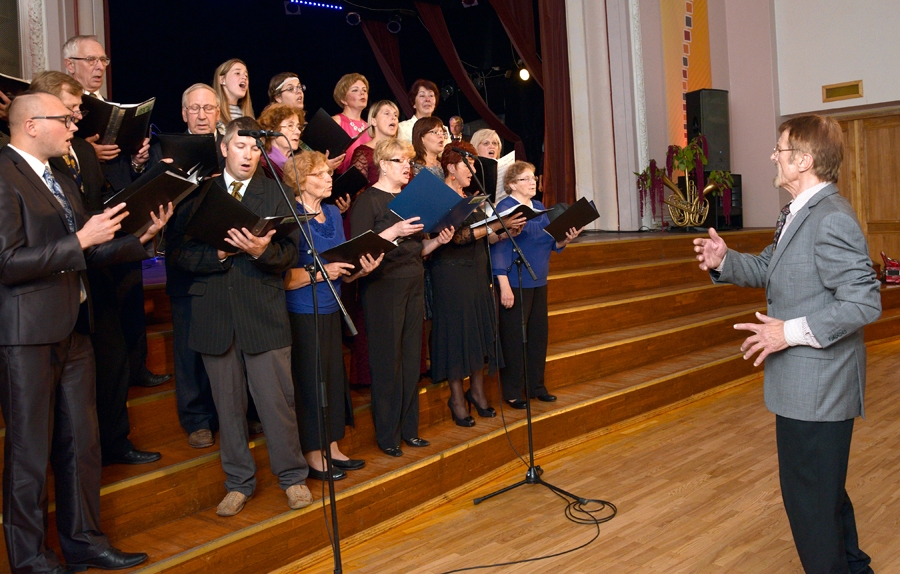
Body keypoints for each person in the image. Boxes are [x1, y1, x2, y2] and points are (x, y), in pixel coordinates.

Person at [692, 114, 881, 574]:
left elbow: (864, 302)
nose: (772, 156)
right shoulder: (796, 212)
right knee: (824, 496)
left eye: (779, 150)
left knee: (811, 506)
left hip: (820, 388)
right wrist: (724, 261)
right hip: (805, 388)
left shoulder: (830, 218)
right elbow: (769, 268)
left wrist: (787, 332)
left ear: (804, 160)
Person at [0, 91, 170, 573]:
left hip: (76, 327)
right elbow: (6, 263)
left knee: (83, 444)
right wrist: (79, 239)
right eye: (65, 119)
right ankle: (30, 559)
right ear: (31, 125)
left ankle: (85, 542)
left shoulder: (59, 177)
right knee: (29, 453)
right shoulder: (3, 174)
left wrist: (140, 240)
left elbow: (86, 254)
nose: (75, 126)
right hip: (25, 335)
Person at [166, 117, 312, 516]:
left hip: (262, 314)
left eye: (254, 148)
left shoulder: (276, 193)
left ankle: (292, 478)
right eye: (240, 146)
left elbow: (289, 254)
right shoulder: (199, 194)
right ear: (224, 148)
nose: (248, 155)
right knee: (227, 409)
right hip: (214, 315)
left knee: (277, 403)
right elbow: (178, 254)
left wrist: (260, 251)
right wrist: (218, 254)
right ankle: (238, 483)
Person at [30, 71, 164, 467]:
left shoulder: (83, 154)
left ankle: (115, 443)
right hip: (56, 281)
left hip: (99, 272)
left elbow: (101, 200)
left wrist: (136, 225)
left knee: (113, 362)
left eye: (77, 111)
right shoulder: (37, 161)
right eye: (69, 111)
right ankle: (68, 458)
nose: (76, 120)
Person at [349, 139, 454, 457]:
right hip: (383, 287)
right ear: (383, 164)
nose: (408, 166)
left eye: (409, 161)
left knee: (411, 361)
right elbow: (359, 252)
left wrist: (437, 242)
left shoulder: (410, 199)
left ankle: (409, 429)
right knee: (387, 362)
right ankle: (387, 434)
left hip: (413, 281)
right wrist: (393, 232)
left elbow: (417, 249)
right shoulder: (368, 201)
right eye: (401, 161)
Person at [282, 151, 382, 481]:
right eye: (321, 174)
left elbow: (343, 269)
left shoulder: (334, 214)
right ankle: (313, 451)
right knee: (311, 380)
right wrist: (321, 272)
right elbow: (282, 277)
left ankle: (332, 444)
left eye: (329, 173)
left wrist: (361, 269)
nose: (330, 179)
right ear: (300, 180)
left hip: (333, 306)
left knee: (333, 377)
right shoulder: (290, 216)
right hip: (302, 309)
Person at [432, 143, 526, 426]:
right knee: (455, 335)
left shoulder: (469, 198)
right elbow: (458, 237)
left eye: (473, 165)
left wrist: (505, 231)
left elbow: (484, 235)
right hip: (451, 274)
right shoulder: (439, 198)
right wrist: (494, 226)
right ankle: (456, 399)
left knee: (476, 332)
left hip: (476, 272)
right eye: (467, 165)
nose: (473, 170)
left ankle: (477, 391)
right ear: (451, 168)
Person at [152, 83, 222, 449]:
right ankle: (196, 419)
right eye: (194, 108)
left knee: (227, 343)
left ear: (218, 112)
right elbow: (152, 200)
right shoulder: (165, 151)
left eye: (208, 108)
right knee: (188, 348)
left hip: (226, 258)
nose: (201, 115)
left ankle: (231, 413)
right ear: (183, 113)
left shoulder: (230, 148)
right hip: (185, 260)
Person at [491, 161, 581, 409]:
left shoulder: (540, 207)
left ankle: (536, 386)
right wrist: (503, 285)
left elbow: (551, 243)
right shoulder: (505, 208)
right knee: (513, 338)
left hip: (538, 279)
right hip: (515, 281)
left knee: (538, 336)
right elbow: (499, 248)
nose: (533, 182)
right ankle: (512, 391)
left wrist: (566, 239)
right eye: (526, 179)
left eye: (533, 178)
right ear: (512, 184)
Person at [350, 100, 400, 187]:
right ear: (373, 121)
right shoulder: (363, 153)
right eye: (387, 113)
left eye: (395, 115)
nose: (393, 118)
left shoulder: (402, 152)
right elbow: (356, 190)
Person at [331, 73, 371, 173]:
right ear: (343, 99)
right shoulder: (336, 122)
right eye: (355, 90)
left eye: (364, 90)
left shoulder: (370, 127)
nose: (362, 93)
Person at [257, 103, 306, 180]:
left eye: (298, 127)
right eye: (290, 126)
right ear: (272, 130)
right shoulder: (264, 167)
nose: (298, 132)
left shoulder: (296, 167)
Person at [397, 79, 449, 144]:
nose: (427, 99)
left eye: (431, 95)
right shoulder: (402, 129)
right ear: (413, 103)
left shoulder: (443, 129)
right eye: (422, 96)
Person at [214, 59, 253, 126]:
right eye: (237, 73)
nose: (244, 77)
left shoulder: (248, 116)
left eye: (246, 75)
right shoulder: (212, 113)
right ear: (222, 80)